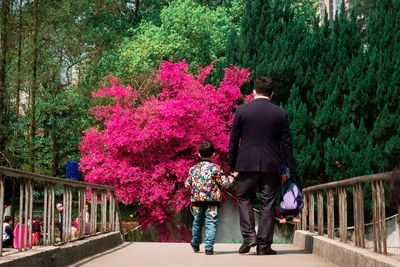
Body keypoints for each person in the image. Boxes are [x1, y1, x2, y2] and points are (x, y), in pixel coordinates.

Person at [228, 76, 295, 255]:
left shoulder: (242, 111)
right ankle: (264, 246)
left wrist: (232, 166)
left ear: (253, 92)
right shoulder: (280, 113)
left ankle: (249, 237)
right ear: (271, 94)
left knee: (244, 199)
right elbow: (286, 144)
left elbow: (233, 141)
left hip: (246, 164)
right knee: (268, 204)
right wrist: (289, 168)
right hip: (271, 165)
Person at [185, 141, 234, 255]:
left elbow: (187, 185)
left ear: (198, 154)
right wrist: (232, 177)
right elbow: (225, 183)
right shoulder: (215, 168)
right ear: (213, 154)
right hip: (212, 202)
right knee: (211, 223)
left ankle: (195, 243)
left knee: (197, 222)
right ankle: (209, 248)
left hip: (197, 201)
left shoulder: (193, 169)